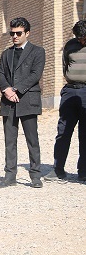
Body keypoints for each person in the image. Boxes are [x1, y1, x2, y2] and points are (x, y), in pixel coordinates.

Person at [0, 17, 45, 188]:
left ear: (27, 33)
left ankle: (35, 175)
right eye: (12, 33)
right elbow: (0, 74)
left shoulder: (38, 52)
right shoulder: (6, 53)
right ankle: (10, 176)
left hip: (27, 100)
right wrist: (6, 90)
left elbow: (35, 74)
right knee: (10, 140)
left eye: (18, 33)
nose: (15, 36)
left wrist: (16, 89)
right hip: (9, 102)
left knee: (32, 140)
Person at [44, 21, 86, 182]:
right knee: (63, 132)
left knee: (85, 134)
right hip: (70, 91)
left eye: (84, 38)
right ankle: (58, 169)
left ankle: (83, 171)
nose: (81, 41)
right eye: (79, 38)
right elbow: (65, 66)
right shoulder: (70, 45)